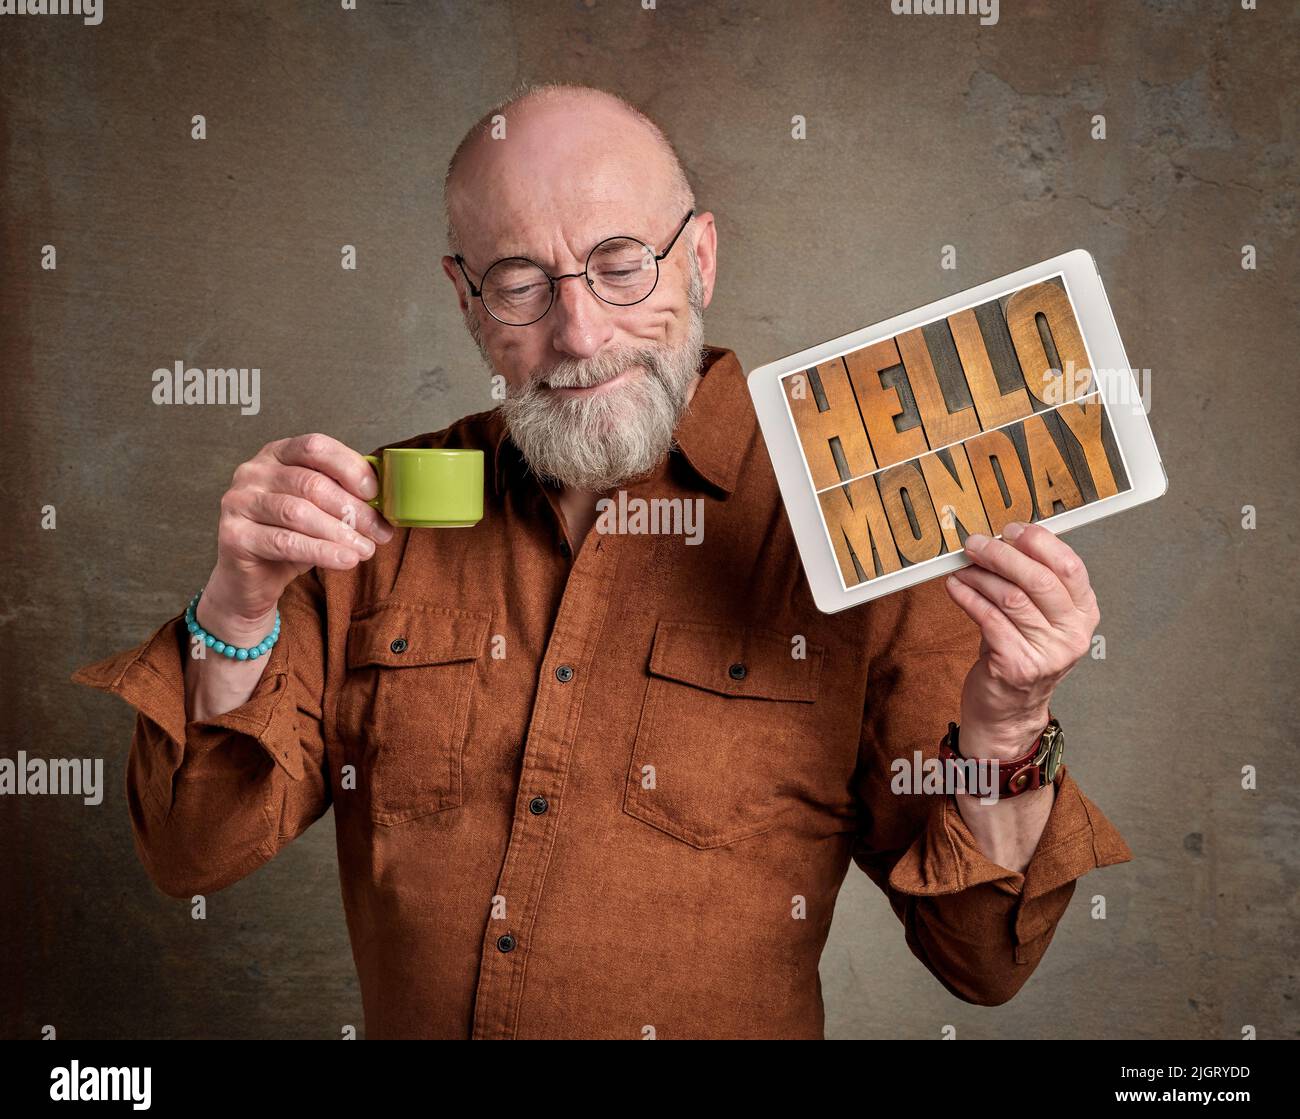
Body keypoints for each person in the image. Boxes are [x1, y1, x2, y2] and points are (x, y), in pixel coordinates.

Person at [72, 81, 1131, 1039]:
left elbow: (983, 960)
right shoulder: (373, 515)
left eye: (622, 265)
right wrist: (237, 603)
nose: (579, 331)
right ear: (466, 298)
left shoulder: (857, 519)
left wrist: (1006, 728)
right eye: (521, 283)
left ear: (701, 256)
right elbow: (190, 851)